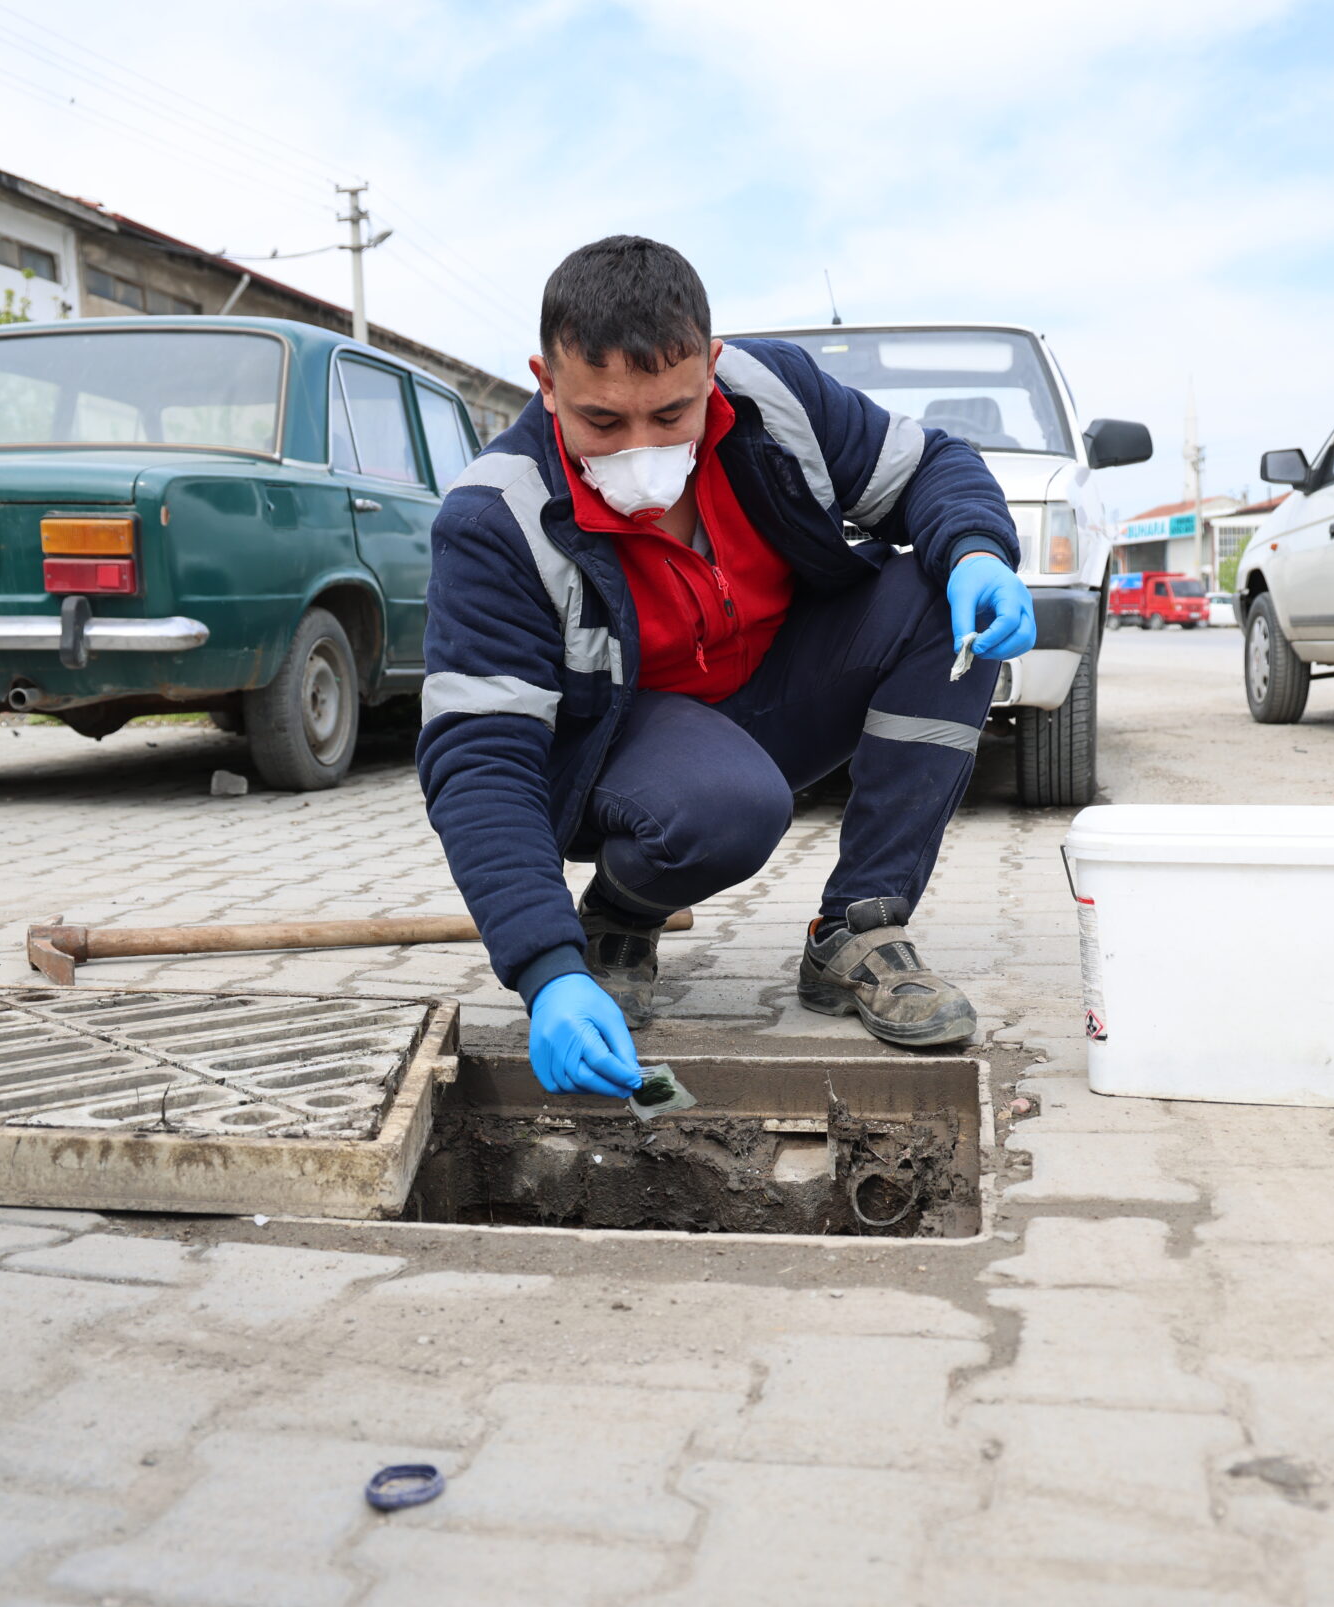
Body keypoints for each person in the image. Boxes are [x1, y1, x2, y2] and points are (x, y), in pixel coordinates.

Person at [418, 236, 1034, 1097]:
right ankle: (622, 911)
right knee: (730, 806)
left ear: (711, 367)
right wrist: (545, 968)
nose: (641, 450)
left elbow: (929, 464)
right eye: (603, 422)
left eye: (672, 414)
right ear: (546, 383)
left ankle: (859, 927)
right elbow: (480, 761)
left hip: (774, 691)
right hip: (626, 755)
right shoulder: (496, 518)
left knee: (937, 594)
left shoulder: (772, 396)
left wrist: (976, 550)